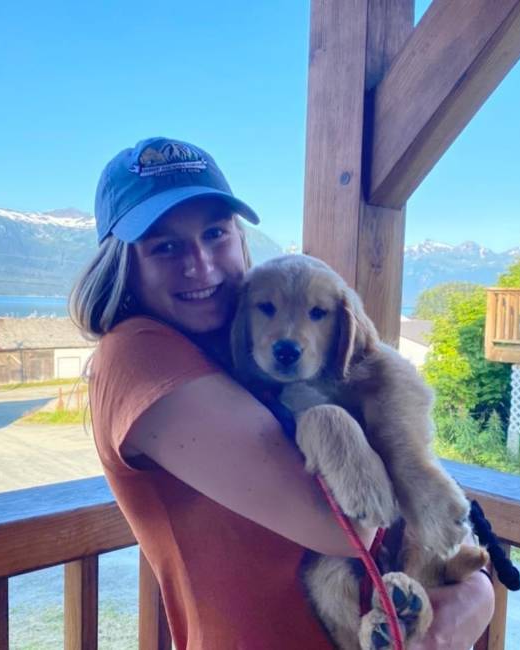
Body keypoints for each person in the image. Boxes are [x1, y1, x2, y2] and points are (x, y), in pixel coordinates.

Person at [70, 136, 494, 649]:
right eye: (165, 246)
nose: (200, 266)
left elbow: (421, 499)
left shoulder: (238, 352)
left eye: (215, 234)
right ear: (122, 264)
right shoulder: (140, 354)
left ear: (241, 239)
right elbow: (352, 527)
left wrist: (471, 599)